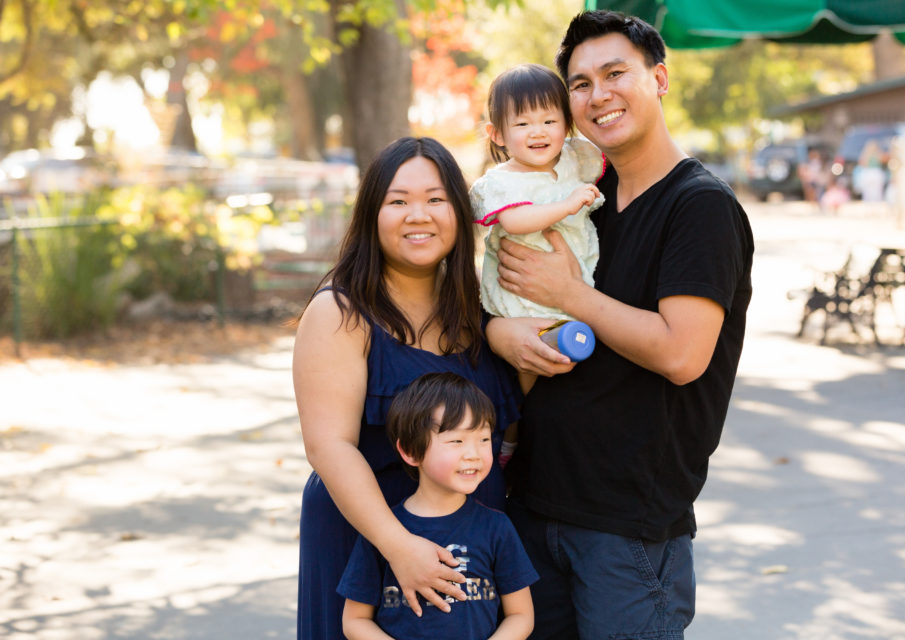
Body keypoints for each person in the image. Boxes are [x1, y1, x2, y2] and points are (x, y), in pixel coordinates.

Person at [486, 10, 755, 639]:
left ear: (658, 78)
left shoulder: (701, 207)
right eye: (580, 84)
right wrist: (504, 335)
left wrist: (571, 295)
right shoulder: (583, 199)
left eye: (616, 73)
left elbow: (682, 354)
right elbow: (509, 301)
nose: (598, 94)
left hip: (627, 531)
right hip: (533, 507)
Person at [294, 137, 522, 640]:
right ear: (372, 215)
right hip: (362, 539)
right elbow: (328, 446)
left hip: (473, 553)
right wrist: (397, 545)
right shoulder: (340, 313)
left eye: (436, 199)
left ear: (460, 214)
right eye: (398, 201)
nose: (418, 214)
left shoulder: (483, 312)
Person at [471, 62, 605, 465]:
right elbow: (514, 220)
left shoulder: (572, 161)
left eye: (549, 120)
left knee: (564, 364)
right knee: (527, 370)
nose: (538, 132)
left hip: (569, 282)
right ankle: (514, 436)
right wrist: (565, 205)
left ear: (567, 124)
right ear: (497, 134)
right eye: (523, 123)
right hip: (523, 295)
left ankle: (528, 435)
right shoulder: (501, 182)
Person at [339, 372, 538, 640]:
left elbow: (521, 615)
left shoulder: (496, 528)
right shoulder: (383, 530)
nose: (473, 454)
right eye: (456, 441)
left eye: (483, 439)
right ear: (411, 450)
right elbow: (355, 621)